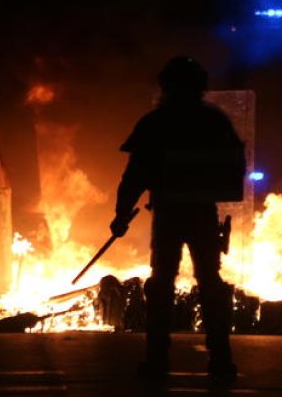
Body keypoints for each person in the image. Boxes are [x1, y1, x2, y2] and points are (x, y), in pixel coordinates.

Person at [110, 56, 245, 383]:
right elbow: (234, 165)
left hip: (170, 213)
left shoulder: (156, 122)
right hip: (201, 213)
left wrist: (121, 215)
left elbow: (135, 175)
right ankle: (221, 360)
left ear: (165, 86)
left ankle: (157, 360)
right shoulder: (214, 121)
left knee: (161, 285)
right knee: (210, 284)